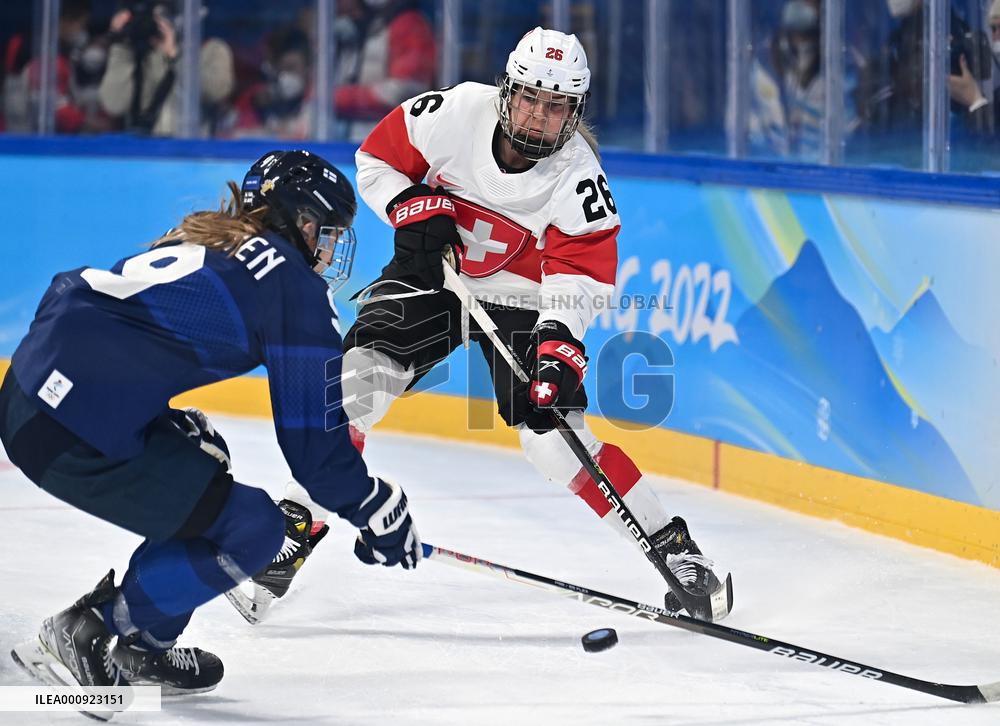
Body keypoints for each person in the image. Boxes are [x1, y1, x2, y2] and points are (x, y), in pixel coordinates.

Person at [240, 28, 733, 622]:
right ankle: (291, 530)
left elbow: (581, 274)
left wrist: (557, 345)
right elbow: (375, 158)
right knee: (355, 386)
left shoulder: (580, 178)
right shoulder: (453, 114)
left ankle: (673, 547)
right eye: (529, 97)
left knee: (553, 441)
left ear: (574, 112)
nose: (539, 115)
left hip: (526, 299)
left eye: (556, 107)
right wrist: (407, 206)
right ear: (506, 90)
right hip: (435, 273)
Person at [1, 150, 420, 712]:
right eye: (328, 233)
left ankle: (144, 645)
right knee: (257, 530)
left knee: (205, 457)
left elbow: (77, 306)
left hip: (27, 394)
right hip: (68, 430)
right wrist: (373, 505)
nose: (327, 250)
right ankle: (94, 628)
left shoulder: (206, 236)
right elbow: (315, 452)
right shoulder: (292, 285)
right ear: (302, 221)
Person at [98, 0, 234, 135]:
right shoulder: (134, 54)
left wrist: (175, 58)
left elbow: (215, 91)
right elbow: (114, 104)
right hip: (143, 150)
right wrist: (121, 46)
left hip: (192, 149)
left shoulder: (212, 50)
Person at [333, 0, 436, 141]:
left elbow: (406, 89)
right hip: (340, 138)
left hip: (388, 142)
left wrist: (339, 98)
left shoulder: (409, 24)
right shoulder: (345, 28)